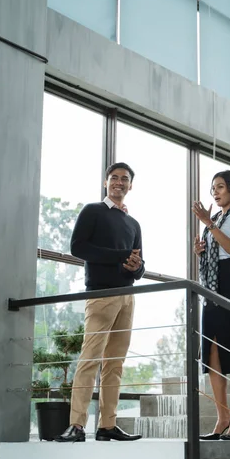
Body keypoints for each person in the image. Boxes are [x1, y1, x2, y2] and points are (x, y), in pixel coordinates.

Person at [55, 163, 145, 443]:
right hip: (100, 295)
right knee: (89, 359)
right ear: (106, 182)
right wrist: (120, 256)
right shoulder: (93, 211)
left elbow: (139, 266)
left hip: (127, 297)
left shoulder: (133, 223)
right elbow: (78, 247)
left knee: (115, 364)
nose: (119, 183)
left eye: (125, 179)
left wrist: (135, 266)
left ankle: (107, 425)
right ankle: (77, 425)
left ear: (131, 185)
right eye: (114, 178)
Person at [192, 170, 230, 441]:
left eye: (220, 187)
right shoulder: (216, 218)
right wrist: (200, 250)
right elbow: (215, 247)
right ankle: (222, 417)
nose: (215, 192)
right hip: (212, 287)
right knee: (212, 350)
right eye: (213, 188)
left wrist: (208, 224)